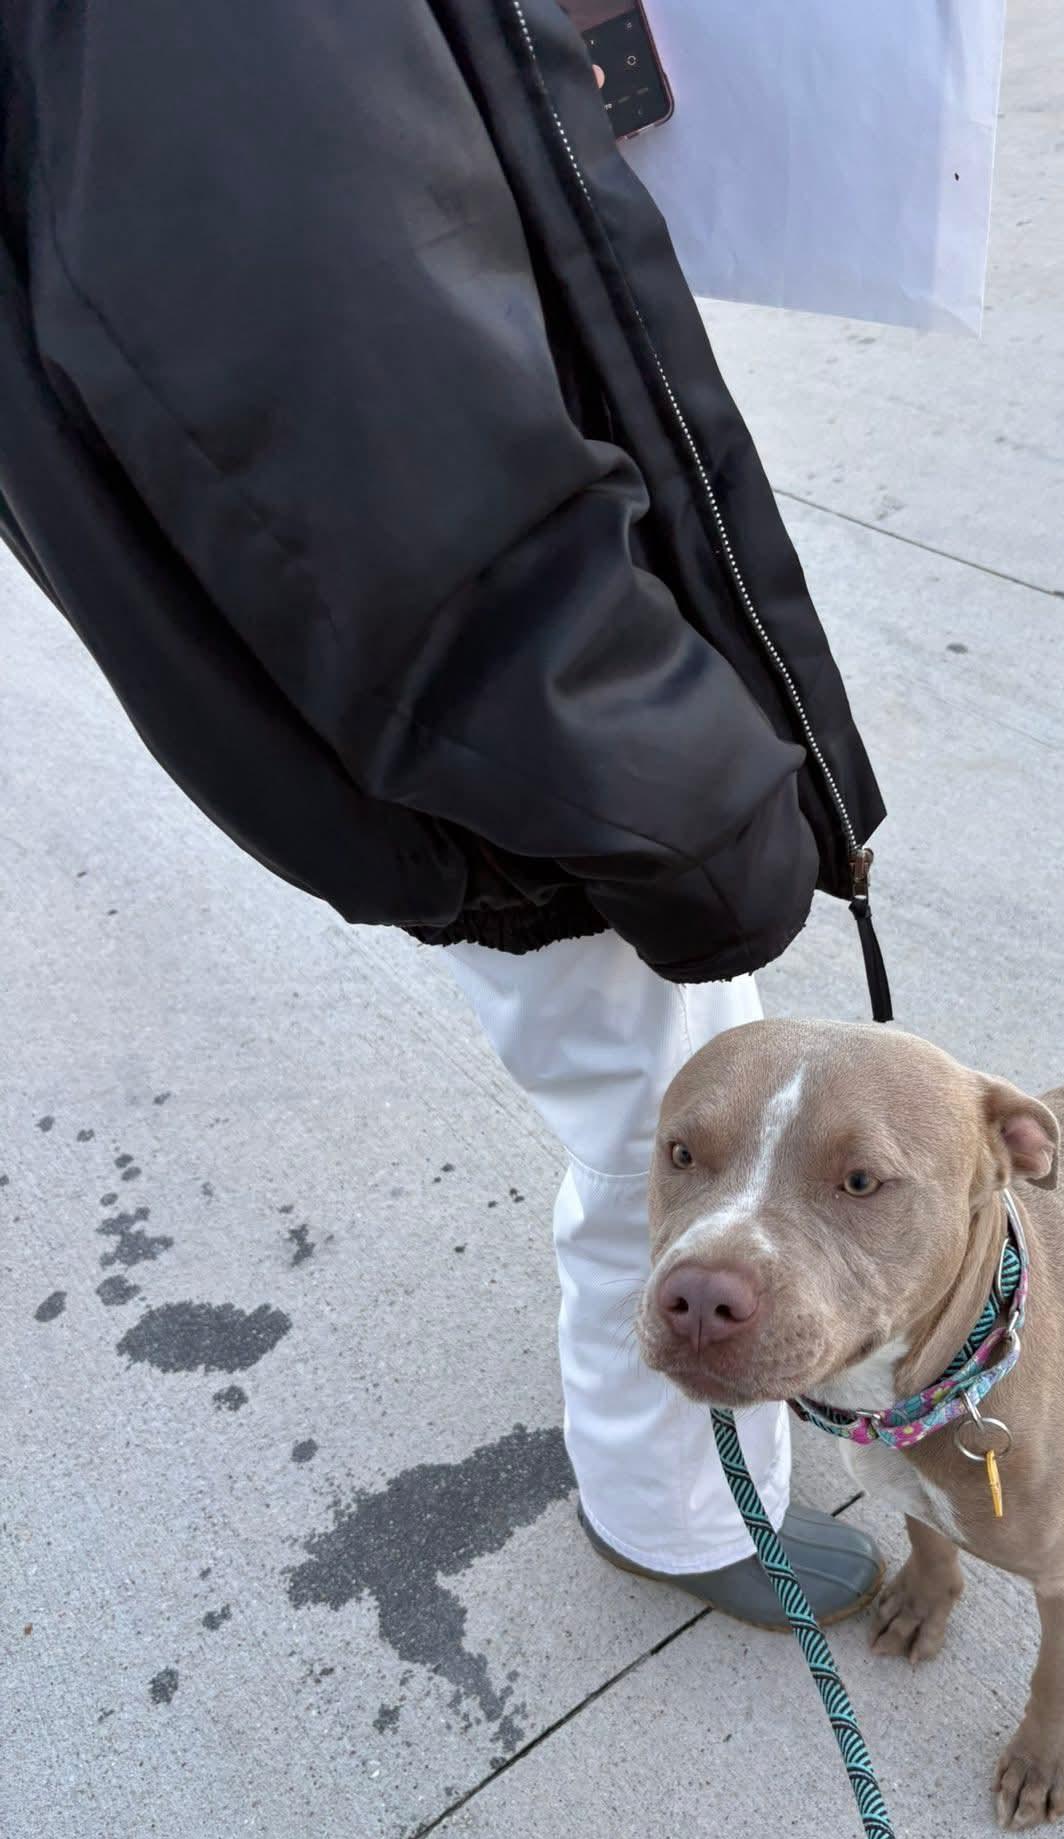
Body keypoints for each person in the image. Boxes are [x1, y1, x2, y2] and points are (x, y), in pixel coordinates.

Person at [0, 1, 887, 1621]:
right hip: (516, 742)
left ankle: (714, 1424)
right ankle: (681, 1503)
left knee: (657, 1092)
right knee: (663, 1116)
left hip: (470, 705)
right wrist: (687, 795)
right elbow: (378, 427)